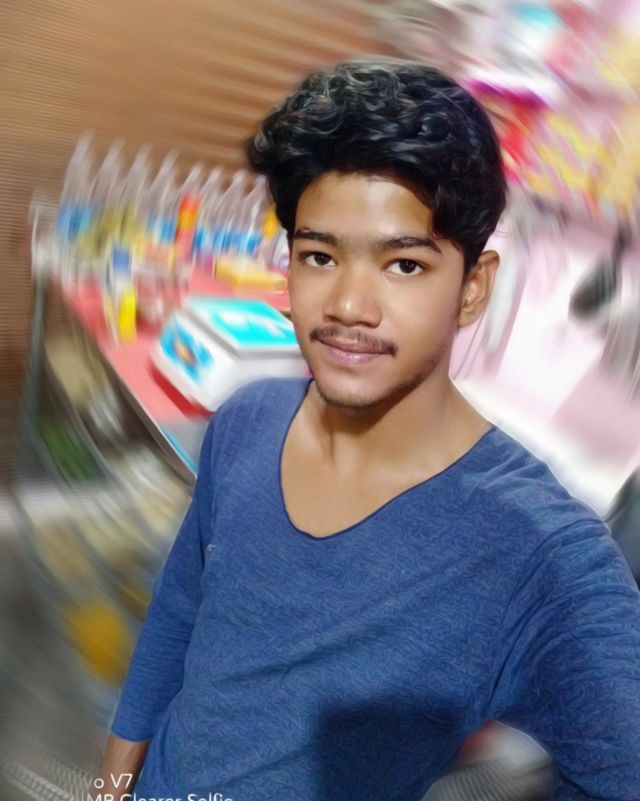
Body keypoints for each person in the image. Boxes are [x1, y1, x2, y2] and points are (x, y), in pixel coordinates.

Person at [99, 60, 640, 801]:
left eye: (404, 265)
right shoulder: (247, 420)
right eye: (319, 256)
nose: (350, 305)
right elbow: (178, 614)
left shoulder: (539, 551)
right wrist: (111, 787)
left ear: (473, 287)